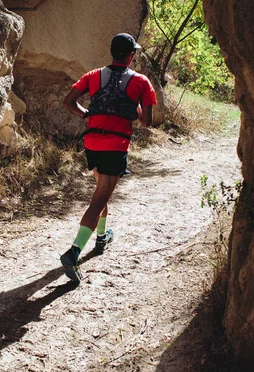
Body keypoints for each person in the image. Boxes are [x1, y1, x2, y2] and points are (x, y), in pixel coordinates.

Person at [60, 33, 157, 282]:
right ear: (131, 55)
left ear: (112, 52)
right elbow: (146, 122)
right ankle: (73, 252)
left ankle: (101, 237)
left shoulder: (93, 75)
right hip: (115, 144)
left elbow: (69, 102)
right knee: (100, 197)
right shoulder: (141, 81)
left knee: (101, 190)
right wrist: (131, 105)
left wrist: (87, 116)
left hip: (92, 141)